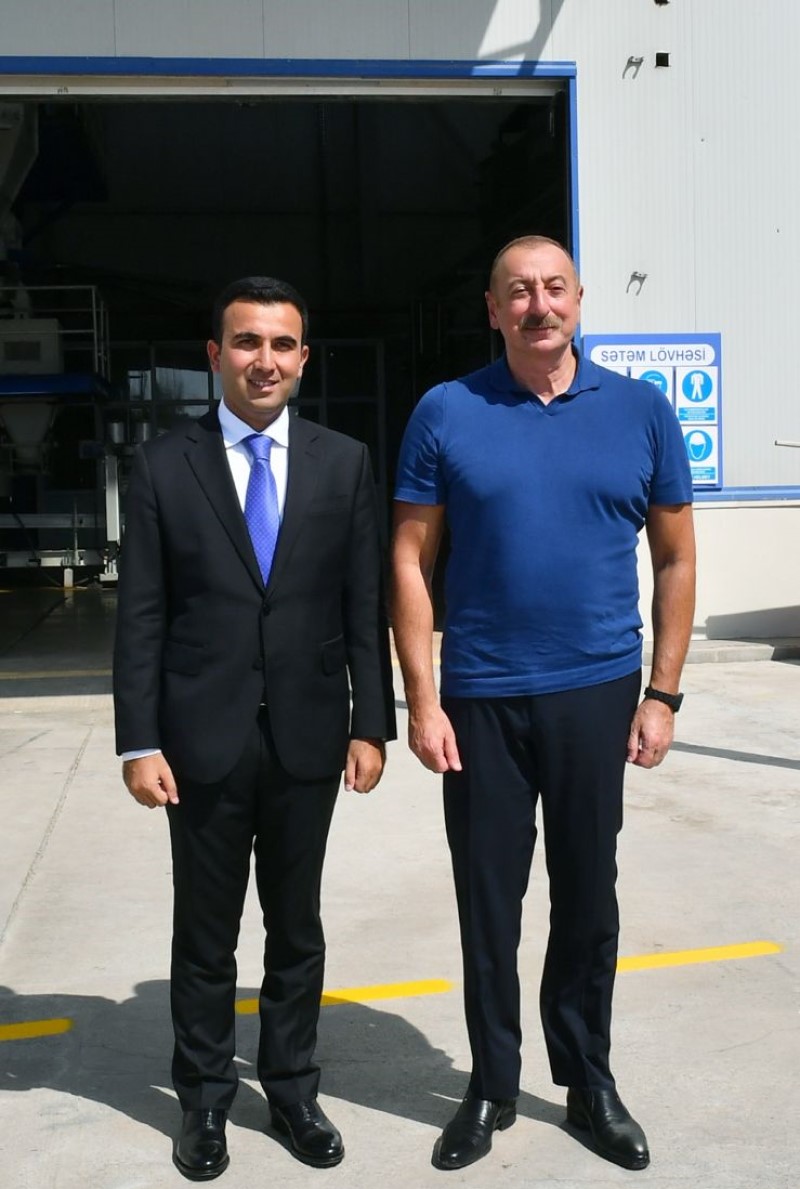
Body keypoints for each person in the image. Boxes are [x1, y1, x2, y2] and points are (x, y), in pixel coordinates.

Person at [391, 236, 695, 1173]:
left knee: (588, 895)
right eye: (518, 292)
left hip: (596, 689)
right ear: (493, 309)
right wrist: (422, 697)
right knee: (489, 899)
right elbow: (409, 557)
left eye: (554, 287)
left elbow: (676, 558)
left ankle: (588, 1080)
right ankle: (490, 1083)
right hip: (480, 695)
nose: (539, 305)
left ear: (579, 298)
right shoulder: (447, 409)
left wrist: (662, 693)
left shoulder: (641, 411)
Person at [113, 276, 396, 1180]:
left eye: (280, 344)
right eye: (245, 342)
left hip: (310, 735)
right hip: (200, 741)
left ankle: (293, 1088)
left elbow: (364, 603)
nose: (263, 360)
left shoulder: (344, 462)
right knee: (205, 932)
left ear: (303, 358)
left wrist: (372, 722)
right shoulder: (164, 465)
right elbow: (142, 615)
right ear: (214, 355)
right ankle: (203, 1100)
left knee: (296, 925)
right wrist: (138, 740)